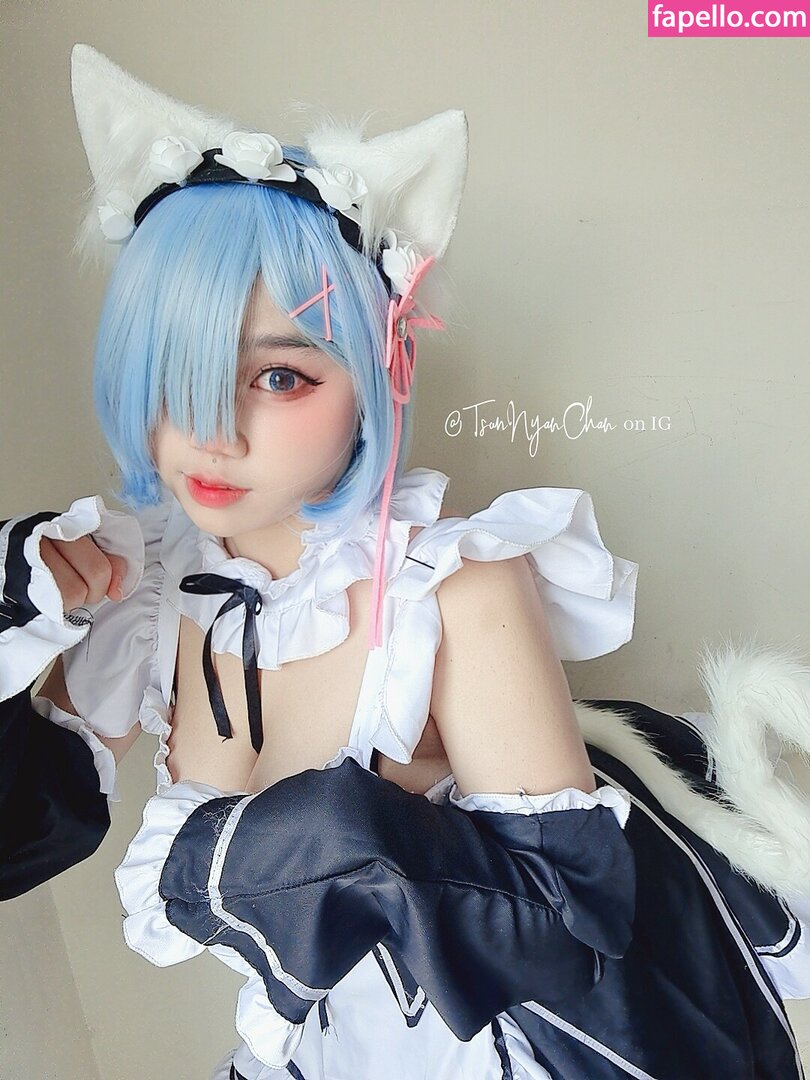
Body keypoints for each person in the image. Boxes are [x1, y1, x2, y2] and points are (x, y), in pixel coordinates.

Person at [1, 41, 809, 1080]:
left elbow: (572, 926)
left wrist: (326, 841)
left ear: (382, 370)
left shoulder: (455, 585)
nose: (209, 430)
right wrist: (13, 628)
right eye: (173, 370)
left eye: (279, 378)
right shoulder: (147, 594)